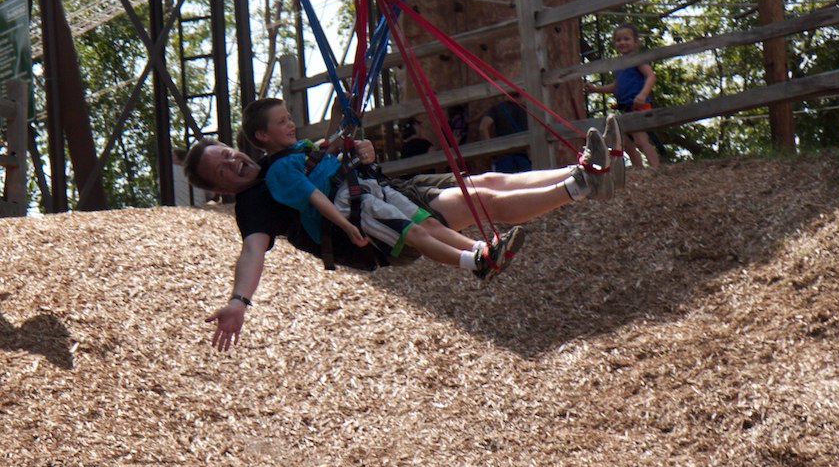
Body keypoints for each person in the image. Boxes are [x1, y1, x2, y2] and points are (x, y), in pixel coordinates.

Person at [183, 117, 622, 352]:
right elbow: (252, 252)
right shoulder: (254, 202)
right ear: (221, 188)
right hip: (373, 228)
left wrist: (363, 152)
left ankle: (586, 168)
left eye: (227, 153)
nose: (232, 162)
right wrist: (240, 300)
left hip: (386, 191)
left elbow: (334, 160)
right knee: (479, 204)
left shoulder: (281, 153)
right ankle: (578, 187)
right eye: (222, 170)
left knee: (486, 182)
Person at [242, 98, 523, 284]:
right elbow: (314, 197)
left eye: (289, 117)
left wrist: (339, 113)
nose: (290, 124)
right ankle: (474, 263)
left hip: (363, 186)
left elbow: (329, 148)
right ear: (263, 136)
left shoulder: (300, 149)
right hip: (346, 205)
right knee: (414, 233)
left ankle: (484, 250)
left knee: (428, 222)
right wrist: (345, 226)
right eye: (281, 122)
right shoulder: (279, 170)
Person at [584, 24, 661, 169]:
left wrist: (643, 94)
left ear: (636, 42)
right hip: (626, 107)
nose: (622, 42)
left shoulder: (637, 59)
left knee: (640, 139)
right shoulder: (619, 64)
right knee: (626, 142)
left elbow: (650, 76)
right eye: (619, 40)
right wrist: (596, 89)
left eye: (627, 39)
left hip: (639, 105)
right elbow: (616, 86)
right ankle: (639, 168)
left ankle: (655, 167)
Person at [479, 96, 531, 173]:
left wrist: (490, 151)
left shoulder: (497, 108)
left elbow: (483, 128)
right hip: (522, 157)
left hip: (503, 157)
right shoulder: (527, 111)